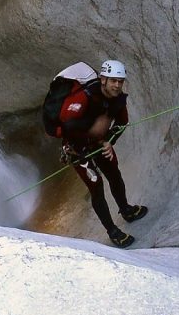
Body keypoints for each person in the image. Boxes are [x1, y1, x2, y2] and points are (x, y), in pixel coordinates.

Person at [58, 59, 147, 248]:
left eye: (120, 81)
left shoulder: (117, 100)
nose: (117, 85)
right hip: (78, 150)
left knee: (114, 174)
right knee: (96, 187)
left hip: (99, 144)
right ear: (103, 79)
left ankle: (126, 210)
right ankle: (112, 231)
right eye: (113, 80)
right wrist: (79, 149)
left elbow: (122, 122)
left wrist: (109, 141)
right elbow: (66, 126)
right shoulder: (84, 98)